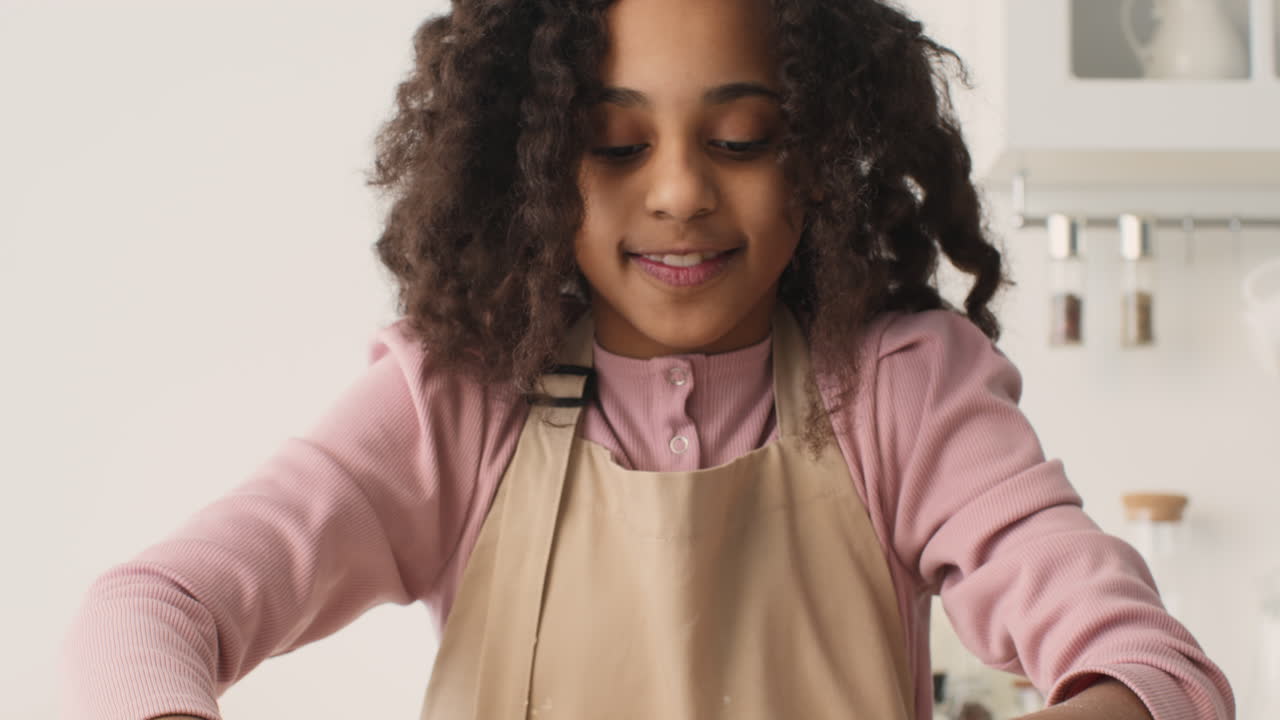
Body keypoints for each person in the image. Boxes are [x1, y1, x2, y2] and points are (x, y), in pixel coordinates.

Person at [59, 0, 1234, 718]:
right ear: (530, 168)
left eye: (739, 138)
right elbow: (144, 612)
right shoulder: (457, 405)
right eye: (615, 144)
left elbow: (1153, 670)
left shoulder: (898, 392)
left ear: (822, 149)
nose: (677, 190)